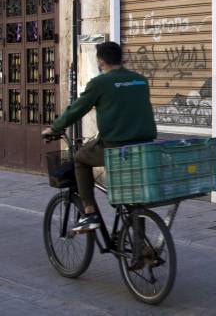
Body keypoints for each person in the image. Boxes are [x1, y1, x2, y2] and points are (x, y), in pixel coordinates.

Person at [42, 41, 157, 233]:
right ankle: (140, 246)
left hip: (115, 146)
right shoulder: (140, 80)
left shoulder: (100, 83)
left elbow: (76, 110)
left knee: (80, 159)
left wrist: (54, 128)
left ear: (100, 60)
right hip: (144, 145)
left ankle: (89, 213)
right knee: (134, 199)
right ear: (122, 59)